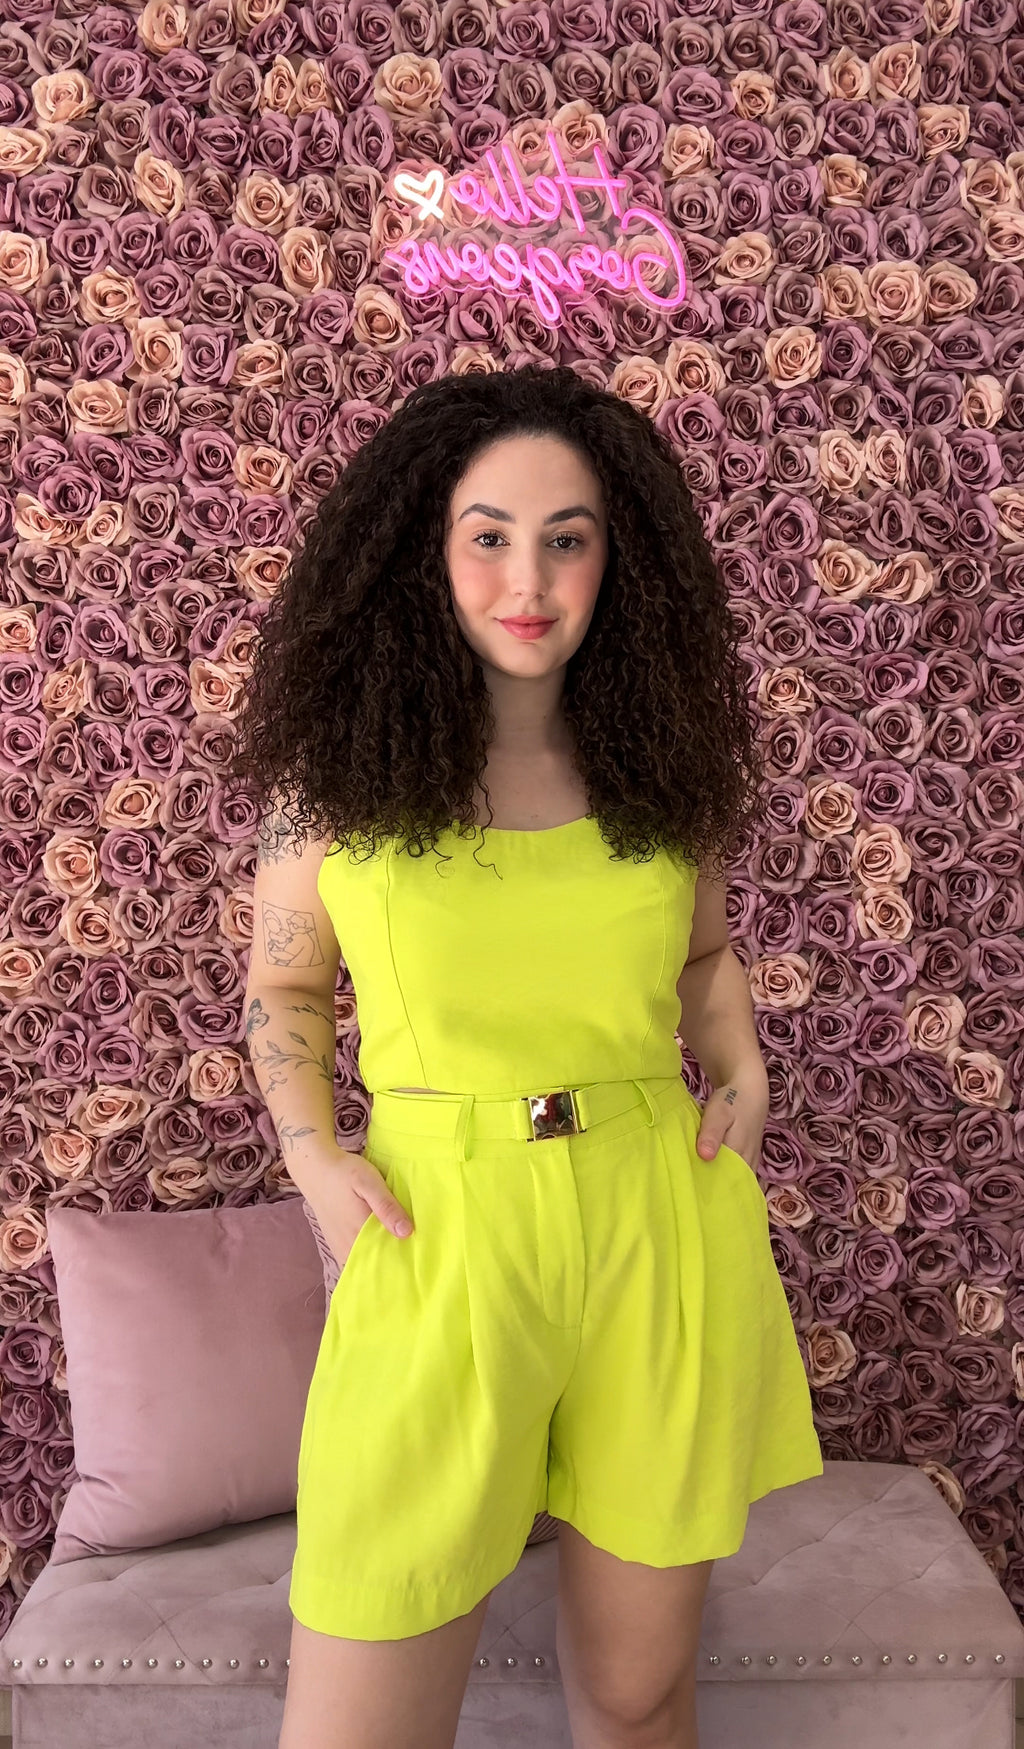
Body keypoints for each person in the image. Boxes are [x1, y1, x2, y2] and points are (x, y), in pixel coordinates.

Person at [230, 363, 824, 1749]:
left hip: (652, 1218)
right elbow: (286, 985)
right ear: (421, 552)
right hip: (440, 1227)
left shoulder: (662, 774)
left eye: (569, 538)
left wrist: (742, 1066)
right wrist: (314, 1157)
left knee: (637, 1697)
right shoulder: (335, 784)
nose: (530, 579)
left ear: (623, 561)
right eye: (488, 534)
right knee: (358, 1728)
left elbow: (700, 957)